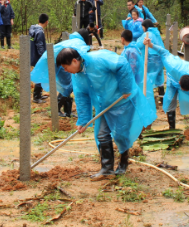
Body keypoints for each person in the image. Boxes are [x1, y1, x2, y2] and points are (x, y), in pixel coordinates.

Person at [56, 46, 157, 178]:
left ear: (75, 61)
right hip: (104, 105)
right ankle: (107, 169)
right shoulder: (77, 76)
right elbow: (81, 96)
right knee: (102, 134)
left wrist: (125, 88)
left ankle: (123, 163)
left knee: (121, 134)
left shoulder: (98, 59)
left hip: (122, 101)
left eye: (65, 66)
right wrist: (83, 120)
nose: (65, 70)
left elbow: (121, 64)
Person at [143, 36, 189, 131]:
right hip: (172, 78)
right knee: (169, 100)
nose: (183, 91)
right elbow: (163, 52)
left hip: (186, 72)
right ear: (180, 83)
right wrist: (150, 44)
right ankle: (171, 128)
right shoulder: (172, 65)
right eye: (183, 89)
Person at [30, 30, 89, 118]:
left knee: (68, 85)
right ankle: (57, 109)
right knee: (68, 86)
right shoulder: (79, 43)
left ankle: (68, 111)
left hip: (57, 60)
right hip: (56, 62)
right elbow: (84, 55)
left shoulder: (75, 41)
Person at [135, 20, 166, 104]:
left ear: (145, 26)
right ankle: (162, 98)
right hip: (159, 59)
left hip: (150, 60)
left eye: (142, 27)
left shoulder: (147, 34)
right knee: (159, 79)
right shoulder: (157, 33)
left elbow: (138, 45)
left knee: (148, 80)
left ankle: (150, 100)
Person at [29, 14, 50, 104]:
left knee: (40, 74)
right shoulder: (40, 32)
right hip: (38, 57)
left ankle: (39, 94)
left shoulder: (33, 29)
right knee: (40, 75)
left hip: (33, 55)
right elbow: (40, 46)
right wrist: (44, 57)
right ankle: (36, 97)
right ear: (46, 22)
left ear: (38, 20)